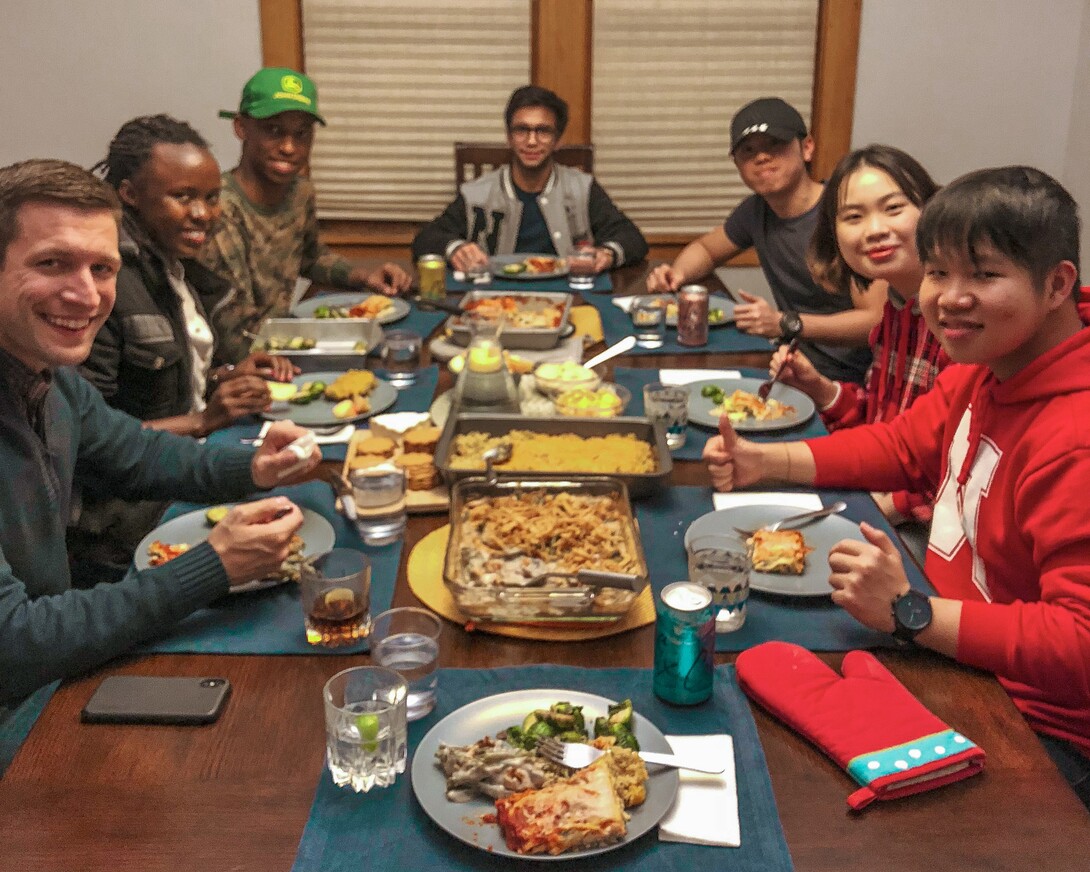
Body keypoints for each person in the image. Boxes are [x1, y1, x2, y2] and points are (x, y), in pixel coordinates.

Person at [704, 166, 1090, 806]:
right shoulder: (988, 366)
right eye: (938, 273)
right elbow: (901, 447)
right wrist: (762, 463)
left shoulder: (1074, 435)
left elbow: (1079, 642)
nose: (950, 297)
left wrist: (911, 612)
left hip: (1038, 732)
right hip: (957, 663)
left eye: (984, 275)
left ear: (1057, 285)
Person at [0, 158, 320, 710]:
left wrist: (251, 467)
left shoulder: (48, 379)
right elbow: (15, 644)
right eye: (52, 263)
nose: (86, 295)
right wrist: (212, 566)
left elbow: (136, 454)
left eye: (103, 270)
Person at [71, 115, 300, 586]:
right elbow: (89, 446)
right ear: (130, 195)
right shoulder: (106, 289)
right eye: (183, 197)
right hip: (131, 525)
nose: (203, 214)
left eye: (211, 198)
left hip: (187, 471)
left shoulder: (174, 265)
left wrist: (226, 373)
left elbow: (180, 372)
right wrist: (202, 421)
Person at [770, 144, 950, 526]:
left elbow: (955, 468)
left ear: (934, 212)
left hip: (927, 528)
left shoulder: (958, 318)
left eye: (894, 208)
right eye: (853, 216)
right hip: (878, 494)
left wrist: (875, 513)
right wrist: (821, 388)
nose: (875, 230)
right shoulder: (897, 309)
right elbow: (881, 430)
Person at [648, 97, 880, 384]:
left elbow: (875, 321)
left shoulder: (844, 212)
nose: (761, 158)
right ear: (737, 164)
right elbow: (706, 249)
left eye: (775, 145)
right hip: (788, 362)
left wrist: (785, 322)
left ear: (807, 147)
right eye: (749, 151)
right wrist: (678, 273)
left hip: (850, 380)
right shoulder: (756, 210)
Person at [200, 67, 411, 363]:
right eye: (274, 131)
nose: (289, 147)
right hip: (242, 366)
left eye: (301, 134)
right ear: (241, 127)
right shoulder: (219, 210)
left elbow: (310, 257)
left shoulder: (300, 192)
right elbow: (236, 331)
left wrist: (364, 276)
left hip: (285, 340)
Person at [411, 85, 647, 274]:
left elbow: (632, 238)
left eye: (543, 131)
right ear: (509, 137)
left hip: (570, 296)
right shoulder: (476, 194)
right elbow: (426, 239)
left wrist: (606, 254)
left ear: (558, 140)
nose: (531, 141)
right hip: (493, 302)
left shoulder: (582, 187)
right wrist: (456, 249)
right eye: (521, 130)